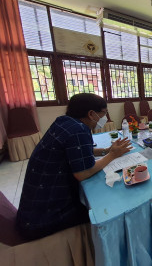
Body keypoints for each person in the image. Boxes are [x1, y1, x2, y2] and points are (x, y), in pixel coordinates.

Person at [16, 93, 132, 240]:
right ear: (91, 114)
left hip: (31, 212)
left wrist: (106, 150)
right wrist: (112, 155)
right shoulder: (79, 130)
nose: (104, 117)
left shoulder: (63, 122)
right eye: (104, 113)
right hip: (44, 218)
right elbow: (83, 173)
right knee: (107, 209)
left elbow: (76, 150)